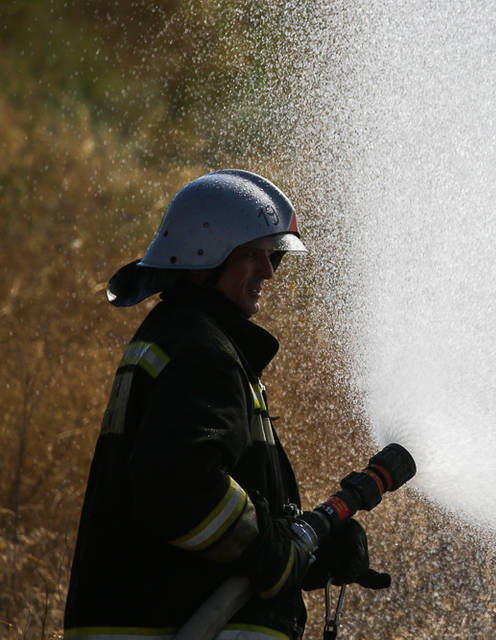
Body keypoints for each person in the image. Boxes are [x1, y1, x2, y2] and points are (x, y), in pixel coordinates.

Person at [64, 170, 387, 640]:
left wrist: (310, 557)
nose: (270, 271)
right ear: (201, 262)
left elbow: (206, 507)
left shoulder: (185, 340)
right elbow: (182, 487)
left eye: (271, 255)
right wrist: (276, 556)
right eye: (251, 255)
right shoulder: (202, 351)